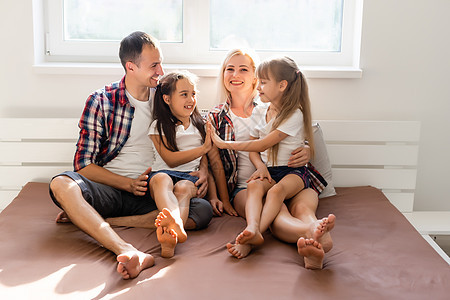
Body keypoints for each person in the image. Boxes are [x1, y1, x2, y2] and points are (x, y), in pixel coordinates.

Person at [48, 32, 213, 280]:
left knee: (201, 211)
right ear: (131, 66)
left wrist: (204, 170)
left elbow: (197, 130)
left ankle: (102, 220)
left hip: (154, 190)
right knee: (61, 184)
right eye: (154, 65)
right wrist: (128, 184)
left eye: (160, 62)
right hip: (111, 187)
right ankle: (126, 249)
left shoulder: (167, 96)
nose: (161, 70)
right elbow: (83, 165)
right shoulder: (102, 101)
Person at [209, 52, 334, 269]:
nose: (236, 74)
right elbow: (212, 161)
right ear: (223, 74)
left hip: (293, 176)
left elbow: (293, 138)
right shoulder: (216, 116)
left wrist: (306, 150)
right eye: (230, 68)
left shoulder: (275, 107)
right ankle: (311, 236)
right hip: (254, 183)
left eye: (244, 69)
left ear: (255, 78)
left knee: (303, 209)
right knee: (277, 215)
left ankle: (313, 239)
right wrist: (223, 197)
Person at [148, 70, 228, 258]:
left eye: (193, 94)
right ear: (167, 99)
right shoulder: (158, 126)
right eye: (184, 94)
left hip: (189, 177)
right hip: (163, 173)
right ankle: (177, 222)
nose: (191, 99)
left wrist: (217, 197)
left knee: (183, 187)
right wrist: (204, 149)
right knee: (161, 179)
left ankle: (172, 237)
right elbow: (170, 159)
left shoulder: (201, 126)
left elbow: (210, 164)